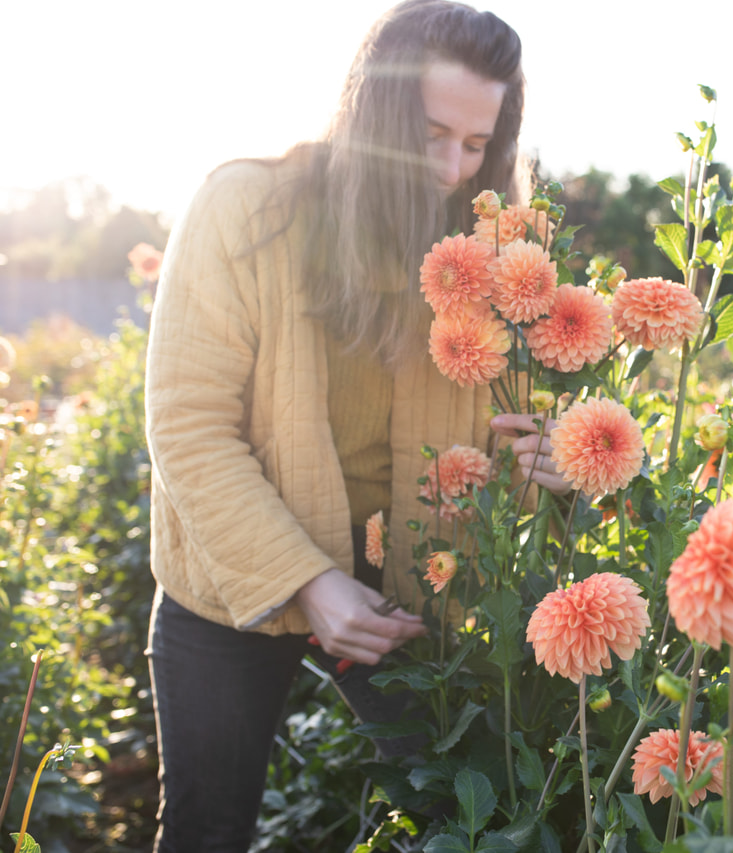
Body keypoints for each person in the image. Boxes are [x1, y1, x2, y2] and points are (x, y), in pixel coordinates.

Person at [143, 2, 567, 850]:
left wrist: (540, 464)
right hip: (234, 575)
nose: (453, 167)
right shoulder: (247, 208)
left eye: (477, 144)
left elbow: (490, 446)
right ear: (373, 111)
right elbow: (188, 428)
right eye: (431, 133)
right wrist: (309, 579)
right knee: (207, 829)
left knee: (457, 820)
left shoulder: (483, 256)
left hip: (403, 591)